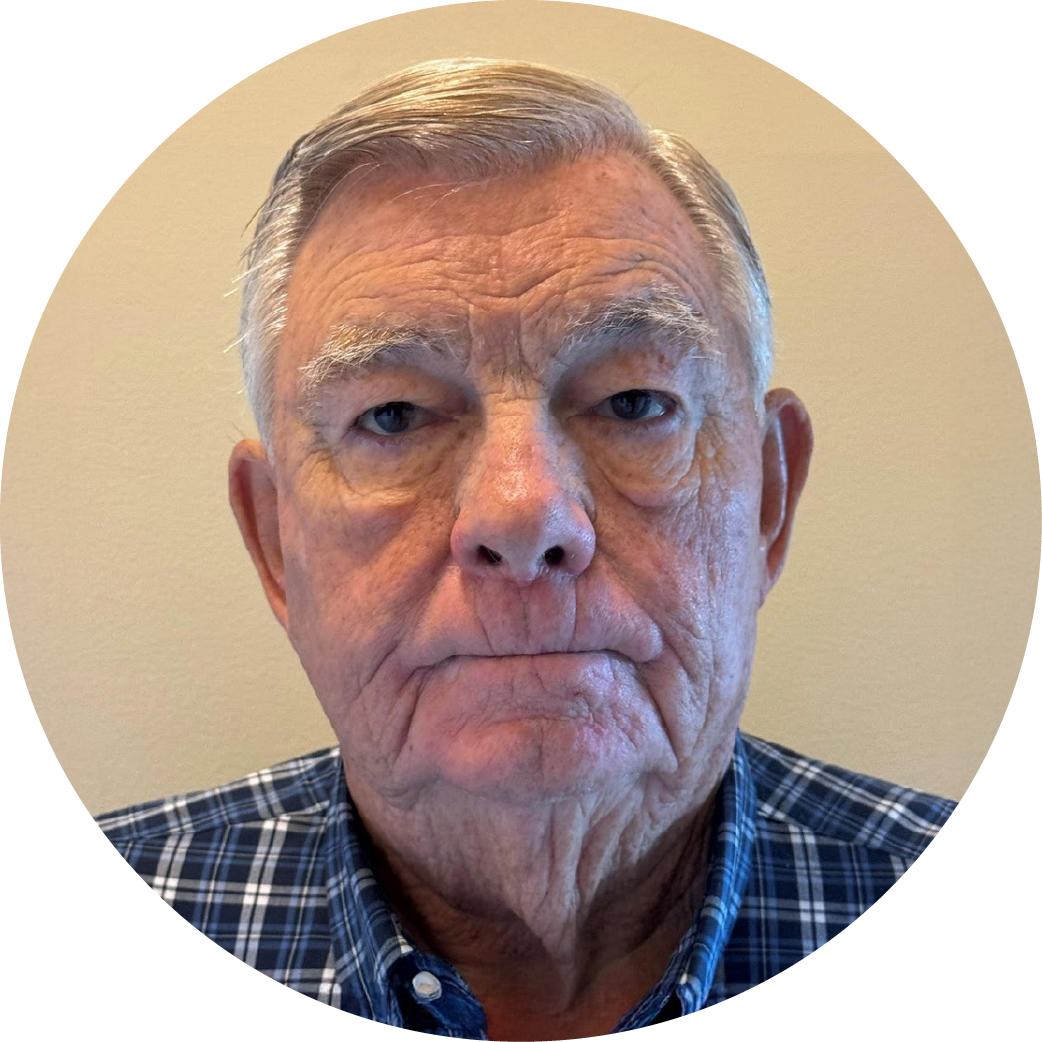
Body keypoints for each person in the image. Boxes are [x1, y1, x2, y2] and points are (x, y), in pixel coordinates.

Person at [93, 58, 953, 1040]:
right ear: (273, 540)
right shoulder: (98, 941)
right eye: (396, 414)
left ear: (768, 497)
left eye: (635, 403)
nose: (523, 513)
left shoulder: (973, 924)